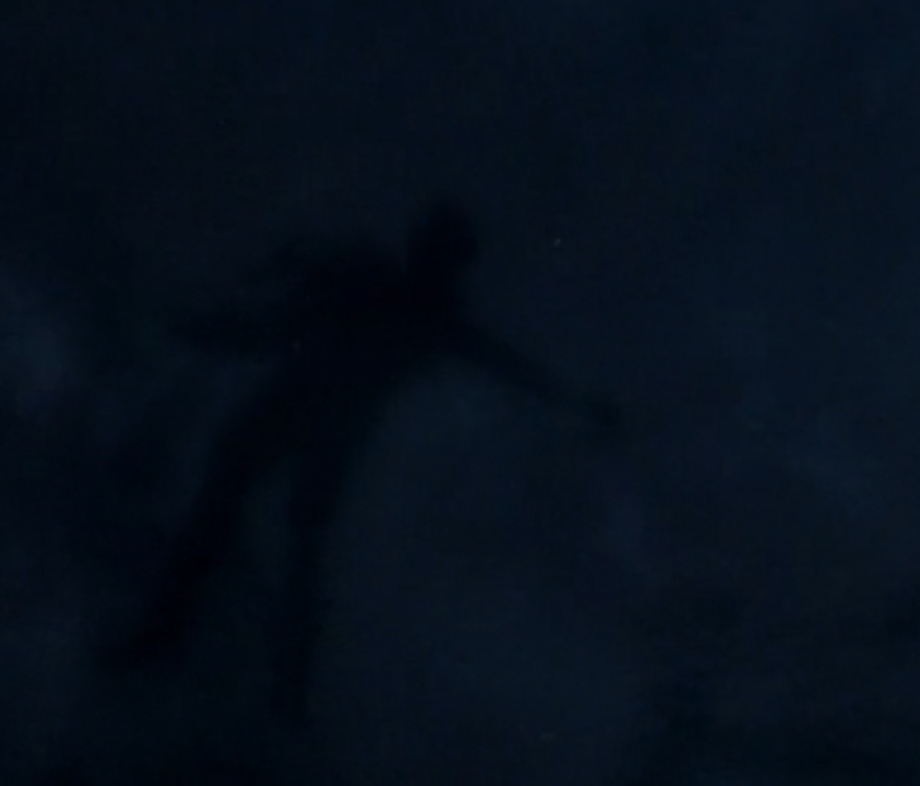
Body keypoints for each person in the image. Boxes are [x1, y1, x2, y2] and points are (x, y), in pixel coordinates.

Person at [112, 202, 619, 716]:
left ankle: (248, 668)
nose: (429, 258)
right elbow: (279, 328)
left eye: (435, 251)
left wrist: (197, 328)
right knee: (268, 535)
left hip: (302, 417)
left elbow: (276, 329)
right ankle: (241, 665)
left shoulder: (401, 300)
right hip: (307, 419)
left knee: (271, 536)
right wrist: (199, 328)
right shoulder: (399, 299)